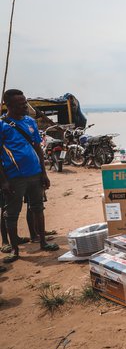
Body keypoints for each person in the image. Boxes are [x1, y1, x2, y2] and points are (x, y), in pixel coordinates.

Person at [0, 89, 58, 263]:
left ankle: (42, 242)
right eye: (20, 104)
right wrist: (3, 181)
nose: (25, 106)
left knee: (38, 209)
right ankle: (15, 250)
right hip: (14, 177)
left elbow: (38, 148)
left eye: (25, 102)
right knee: (11, 214)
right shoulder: (2, 126)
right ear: (8, 105)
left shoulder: (30, 122)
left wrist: (44, 172)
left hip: (35, 174)